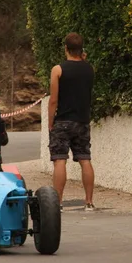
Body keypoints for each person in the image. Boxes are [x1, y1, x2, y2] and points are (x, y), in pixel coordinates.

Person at [48, 32, 96, 211]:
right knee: (85, 159)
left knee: (60, 160)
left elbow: (53, 99)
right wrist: (83, 59)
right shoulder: (89, 68)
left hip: (63, 121)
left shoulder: (58, 70)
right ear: (82, 49)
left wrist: (51, 122)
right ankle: (89, 201)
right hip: (82, 121)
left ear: (65, 48)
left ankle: (58, 202)